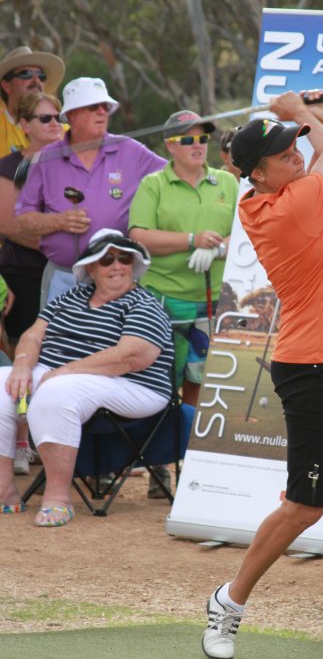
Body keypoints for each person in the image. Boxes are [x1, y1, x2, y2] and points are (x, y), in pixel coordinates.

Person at [201, 89, 323, 659]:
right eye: (284, 153)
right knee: (305, 507)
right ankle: (227, 602)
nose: (295, 155)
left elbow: (321, 150)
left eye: (293, 151)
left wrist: (295, 121)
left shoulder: (287, 193)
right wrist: (298, 113)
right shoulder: (288, 206)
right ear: (259, 174)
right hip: (310, 366)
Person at [0, 230, 174, 525]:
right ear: (91, 267)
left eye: (124, 258)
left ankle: (58, 497)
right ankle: (5, 492)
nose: (117, 265)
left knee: (57, 392)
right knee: (2, 384)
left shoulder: (143, 303)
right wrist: (21, 365)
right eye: (107, 259)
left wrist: (66, 371)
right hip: (61, 374)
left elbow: (132, 356)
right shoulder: (71, 296)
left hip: (134, 384)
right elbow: (33, 335)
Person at [15, 77, 166, 305]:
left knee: (116, 341)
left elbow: (175, 178)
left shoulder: (130, 150)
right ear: (72, 114)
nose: (102, 112)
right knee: (59, 340)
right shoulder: (46, 159)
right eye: (93, 107)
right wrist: (59, 222)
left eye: (105, 107)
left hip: (118, 276)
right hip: (63, 279)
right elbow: (24, 217)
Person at [129, 109, 238, 408]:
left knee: (200, 378)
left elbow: (247, 233)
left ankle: (188, 449)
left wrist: (217, 249)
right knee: (160, 378)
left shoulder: (228, 183)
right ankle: (162, 451)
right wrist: (192, 241)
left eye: (202, 138)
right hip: (165, 297)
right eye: (188, 139)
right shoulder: (154, 184)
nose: (197, 145)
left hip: (215, 300)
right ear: (171, 145)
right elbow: (138, 236)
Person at [0, 91, 63, 476]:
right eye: (44, 118)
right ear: (24, 126)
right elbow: (9, 225)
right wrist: (64, 242)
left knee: (64, 353)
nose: (55, 124)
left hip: (70, 274)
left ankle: (53, 440)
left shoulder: (72, 162)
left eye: (58, 117)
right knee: (25, 356)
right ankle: (20, 443)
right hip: (24, 272)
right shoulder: (10, 166)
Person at [0, 45, 64, 158]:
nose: (36, 80)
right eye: (26, 74)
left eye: (41, 75)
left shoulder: (62, 130)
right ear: (7, 86)